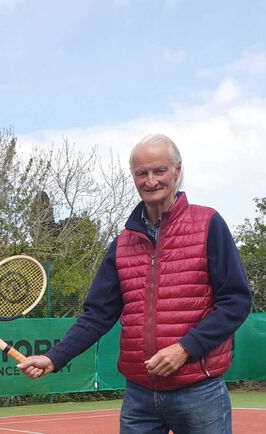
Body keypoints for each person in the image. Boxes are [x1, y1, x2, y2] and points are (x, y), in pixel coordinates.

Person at [18, 134, 252, 433]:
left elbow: (235, 301)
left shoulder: (208, 223)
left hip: (198, 391)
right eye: (142, 173)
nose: (151, 180)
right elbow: (98, 314)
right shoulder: (123, 243)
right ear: (133, 177)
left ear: (177, 171)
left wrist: (185, 348)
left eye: (159, 171)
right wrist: (54, 357)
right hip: (140, 395)